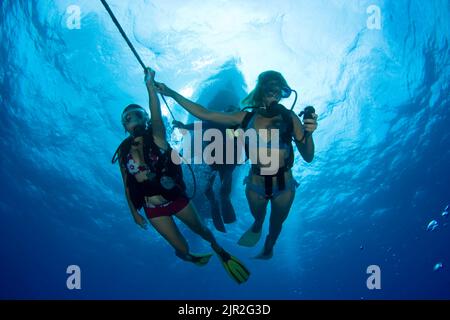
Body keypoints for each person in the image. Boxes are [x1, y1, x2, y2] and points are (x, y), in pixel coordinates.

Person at [155, 71, 318, 259]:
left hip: (285, 186)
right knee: (259, 217)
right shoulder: (244, 118)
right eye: (269, 86)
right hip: (256, 185)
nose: (273, 91)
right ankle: (257, 225)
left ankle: (269, 245)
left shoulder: (290, 118)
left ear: (283, 93)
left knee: (276, 224)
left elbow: (308, 156)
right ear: (260, 91)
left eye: (278, 88)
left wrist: (309, 133)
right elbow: (205, 113)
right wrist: (171, 93)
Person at [111, 67, 250, 284]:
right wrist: (134, 214)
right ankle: (184, 253)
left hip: (175, 199)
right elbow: (127, 185)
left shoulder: (157, 136)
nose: (134, 120)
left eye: (138, 115)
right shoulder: (122, 152)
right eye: (128, 118)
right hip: (152, 209)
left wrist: (150, 88)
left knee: (203, 231)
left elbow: (156, 115)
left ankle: (219, 249)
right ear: (124, 126)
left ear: (145, 119)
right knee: (182, 249)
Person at [172, 105, 240, 233]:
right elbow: (202, 125)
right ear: (225, 113)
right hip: (213, 159)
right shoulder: (216, 122)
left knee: (224, 189)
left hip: (227, 161)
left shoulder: (236, 127)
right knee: (209, 189)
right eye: (230, 112)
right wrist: (185, 126)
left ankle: (220, 199)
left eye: (235, 112)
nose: (232, 115)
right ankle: (214, 201)